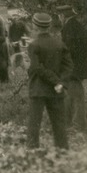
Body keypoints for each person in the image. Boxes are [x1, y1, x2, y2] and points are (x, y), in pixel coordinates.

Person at [26, 13, 72, 150]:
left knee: (34, 124)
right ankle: (63, 152)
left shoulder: (34, 45)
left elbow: (36, 68)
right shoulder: (59, 44)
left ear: (35, 26)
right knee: (59, 124)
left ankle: (32, 152)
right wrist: (61, 83)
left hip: (38, 90)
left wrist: (55, 81)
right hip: (56, 91)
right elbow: (68, 66)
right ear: (49, 26)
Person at [57, 5, 87, 132]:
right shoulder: (78, 26)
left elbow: (68, 50)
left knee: (75, 97)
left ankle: (76, 126)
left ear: (63, 16)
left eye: (60, 16)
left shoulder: (68, 28)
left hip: (72, 69)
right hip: (78, 68)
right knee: (73, 96)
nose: (59, 19)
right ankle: (71, 124)